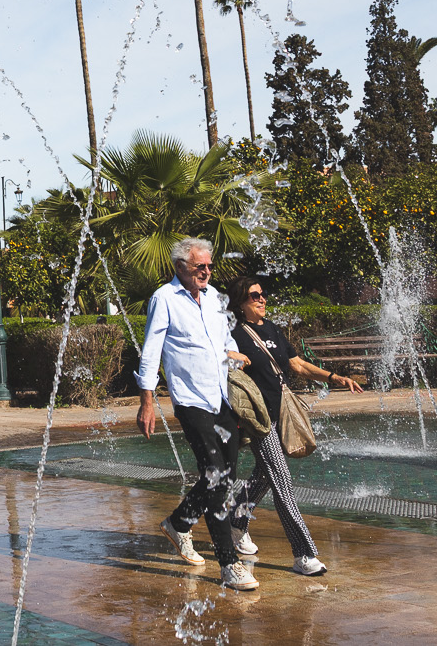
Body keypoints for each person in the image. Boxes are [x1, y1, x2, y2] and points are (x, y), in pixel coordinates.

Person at [136, 238, 256, 591]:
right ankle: (229, 564)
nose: (206, 271)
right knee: (216, 474)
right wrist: (147, 401)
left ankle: (179, 522)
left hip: (221, 396)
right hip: (190, 401)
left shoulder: (216, 296)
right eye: (199, 266)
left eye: (209, 266)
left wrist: (236, 355)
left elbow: (226, 339)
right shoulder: (165, 299)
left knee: (227, 473)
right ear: (180, 268)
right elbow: (150, 350)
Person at [228, 276, 360, 577]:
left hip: (281, 415)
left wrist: (333, 377)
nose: (262, 300)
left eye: (262, 294)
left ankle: (236, 521)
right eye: (254, 296)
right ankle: (304, 553)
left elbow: (296, 365)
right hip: (258, 420)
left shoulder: (272, 329)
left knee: (264, 476)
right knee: (283, 483)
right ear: (240, 303)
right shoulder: (233, 334)